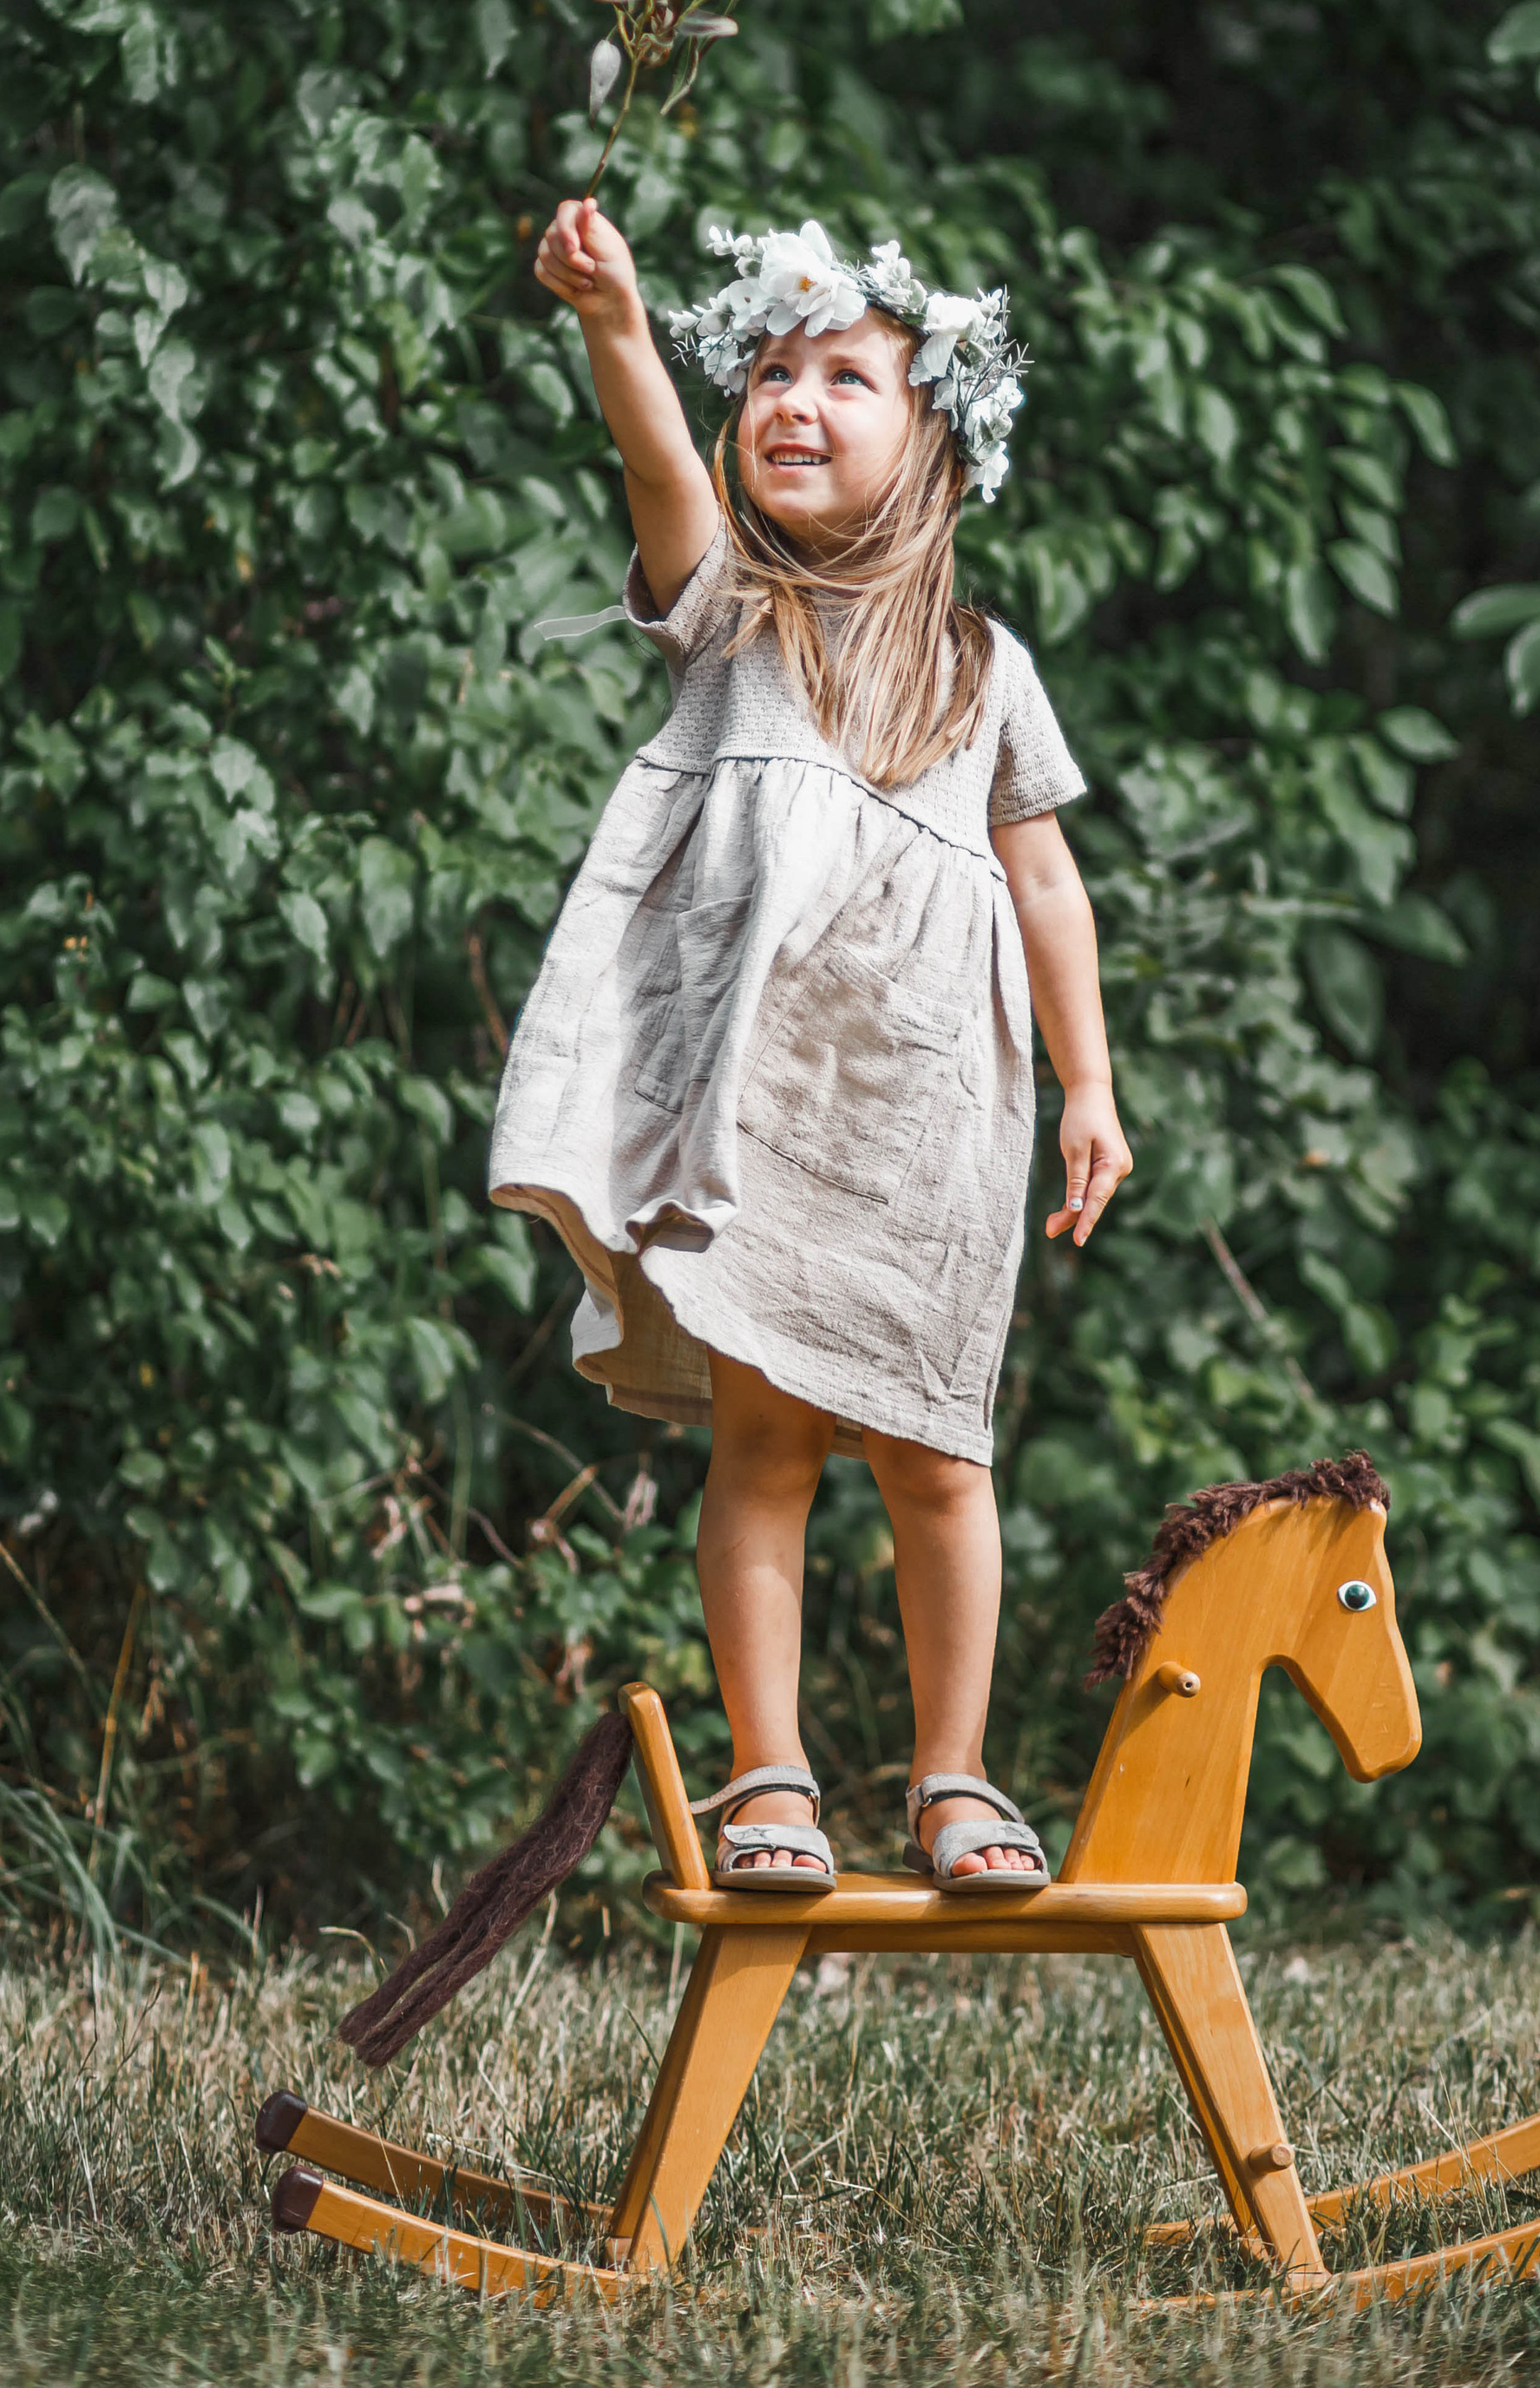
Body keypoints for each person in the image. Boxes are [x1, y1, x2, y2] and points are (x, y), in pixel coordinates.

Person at [494, 200, 1130, 1893]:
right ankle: (766, 1776)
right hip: (760, 1117)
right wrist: (615, 320)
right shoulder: (729, 615)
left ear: (931, 441)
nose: (792, 396)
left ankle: (951, 1776)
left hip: (921, 1128)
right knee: (762, 1446)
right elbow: (651, 469)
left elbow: (1044, 879)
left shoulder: (984, 668)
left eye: (843, 373)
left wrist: (1089, 1084)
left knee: (934, 1452)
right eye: (768, 368)